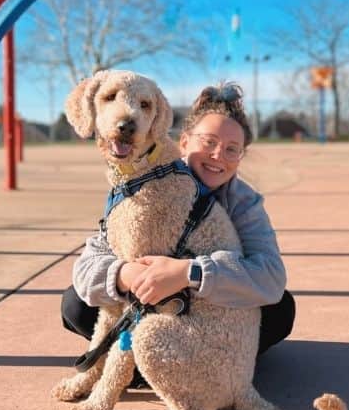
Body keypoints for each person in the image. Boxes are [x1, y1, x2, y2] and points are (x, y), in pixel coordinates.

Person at [61, 81, 296, 363]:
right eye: (208, 142)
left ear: (241, 156)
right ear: (184, 142)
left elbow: (270, 277)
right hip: (144, 302)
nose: (217, 155)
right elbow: (89, 265)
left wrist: (188, 273)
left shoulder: (244, 202)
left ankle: (194, 366)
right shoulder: (143, 181)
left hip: (203, 315)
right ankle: (152, 360)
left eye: (232, 149)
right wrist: (127, 274)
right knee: (75, 304)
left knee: (280, 310)